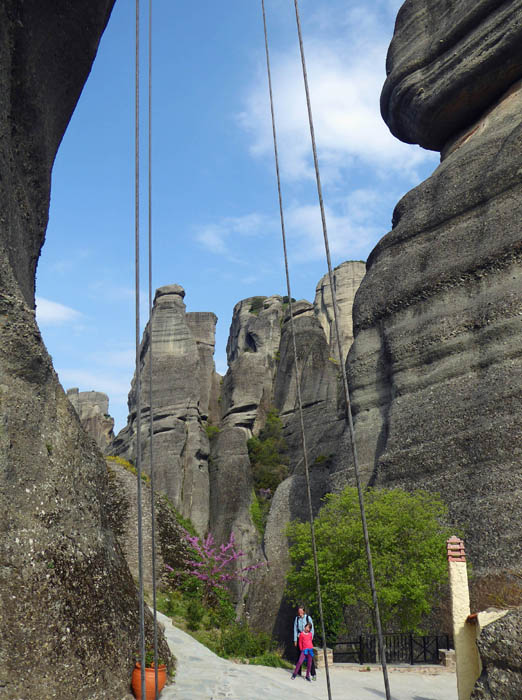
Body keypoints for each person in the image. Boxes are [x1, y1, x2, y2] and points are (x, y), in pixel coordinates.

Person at [293, 606, 316, 680]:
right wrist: (295, 640)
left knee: (310, 658)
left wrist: (310, 638)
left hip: (307, 639)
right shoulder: (297, 619)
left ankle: (313, 673)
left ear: (303, 611)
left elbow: (312, 629)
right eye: (298, 611)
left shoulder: (308, 618)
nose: (299, 612)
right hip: (300, 638)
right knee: (299, 656)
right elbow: (295, 629)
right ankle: (298, 672)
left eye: (301, 611)